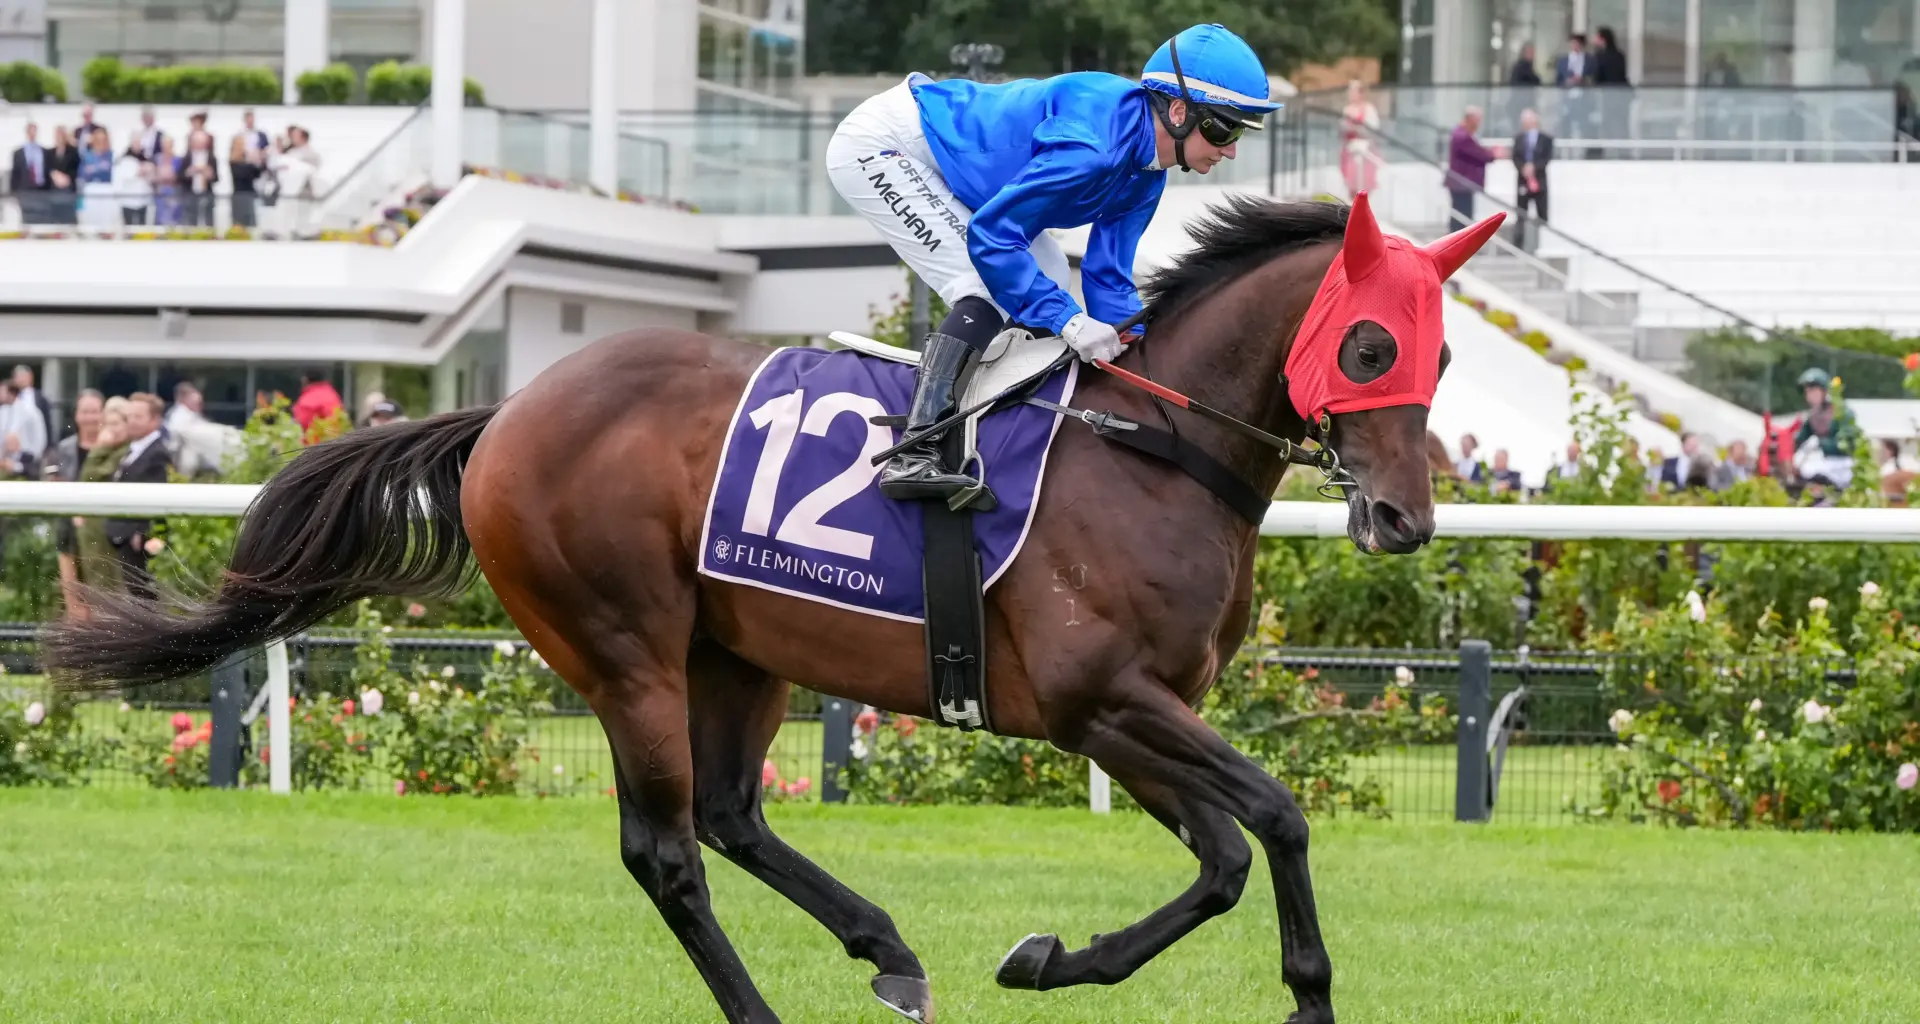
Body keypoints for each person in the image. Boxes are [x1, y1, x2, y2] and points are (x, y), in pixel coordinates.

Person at [824, 23, 1281, 500]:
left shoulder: (1147, 175)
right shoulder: (1093, 151)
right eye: (1223, 128)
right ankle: (916, 450)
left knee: (1050, 276)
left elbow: (1108, 278)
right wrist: (1068, 320)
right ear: (1180, 110)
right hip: (885, 144)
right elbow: (993, 235)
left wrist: (1151, 365)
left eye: (1238, 134)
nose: (1229, 149)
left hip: (954, 166)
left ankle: (1003, 428)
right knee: (986, 283)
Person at [106, 392, 173, 598]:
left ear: (154, 420)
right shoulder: (133, 450)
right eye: (129, 416)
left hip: (139, 540)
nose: (131, 422)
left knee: (144, 596)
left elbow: (156, 493)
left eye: (138, 417)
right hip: (124, 535)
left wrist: (141, 531)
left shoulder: (157, 452)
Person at [47, 389, 104, 617]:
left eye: (95, 411)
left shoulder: (114, 448)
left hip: (101, 532)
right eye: (85, 411)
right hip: (69, 531)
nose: (90, 417)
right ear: (76, 415)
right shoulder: (63, 448)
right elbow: (51, 480)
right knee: (72, 597)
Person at [76, 398, 132, 596]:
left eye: (116, 424)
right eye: (107, 424)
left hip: (111, 532)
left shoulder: (125, 452)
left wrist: (100, 447)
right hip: (94, 531)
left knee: (112, 590)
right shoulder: (111, 450)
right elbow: (86, 478)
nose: (111, 430)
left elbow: (93, 475)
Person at [1791, 367, 1860, 487]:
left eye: (1813, 390)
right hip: (1825, 462)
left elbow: (1849, 444)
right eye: (1807, 392)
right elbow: (1798, 440)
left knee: (1812, 471)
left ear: (1824, 390)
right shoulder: (1813, 415)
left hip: (1844, 464)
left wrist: (1821, 443)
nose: (1809, 395)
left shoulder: (1842, 412)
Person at [1447, 107, 1506, 231]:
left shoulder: (1463, 134)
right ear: (1470, 119)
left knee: (1464, 217)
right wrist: (1494, 154)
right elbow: (1478, 153)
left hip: (1463, 184)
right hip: (1461, 183)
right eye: (1477, 120)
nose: (1478, 124)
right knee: (1461, 218)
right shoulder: (1462, 136)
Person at [1511, 109, 1553, 247]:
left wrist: (1534, 167)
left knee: (1542, 213)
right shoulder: (1519, 138)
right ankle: (1518, 245)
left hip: (1539, 181)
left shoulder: (1546, 139)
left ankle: (1543, 244)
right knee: (1521, 213)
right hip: (1523, 181)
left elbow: (1546, 158)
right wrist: (1523, 168)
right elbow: (1515, 157)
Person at [1339, 80, 1381, 198]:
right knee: (1351, 182)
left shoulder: (1368, 108)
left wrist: (1358, 128)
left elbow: (1373, 127)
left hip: (1365, 148)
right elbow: (1342, 128)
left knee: (1364, 182)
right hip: (1350, 148)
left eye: (1353, 91)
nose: (1351, 94)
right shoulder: (1347, 109)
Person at [76, 127, 116, 229]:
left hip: (106, 190)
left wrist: (94, 169)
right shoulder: (87, 156)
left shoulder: (110, 155)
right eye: (98, 140)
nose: (100, 143)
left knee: (106, 223)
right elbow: (82, 174)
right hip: (91, 190)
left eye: (103, 140)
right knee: (90, 222)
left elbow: (111, 171)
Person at [11, 123, 50, 224]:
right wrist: (14, 192)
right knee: (27, 217)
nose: (32, 134)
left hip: (40, 189)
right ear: (27, 133)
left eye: (34, 131)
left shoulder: (43, 151)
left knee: (40, 216)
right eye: (30, 131)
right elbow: (15, 174)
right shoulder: (18, 153)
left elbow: (47, 171)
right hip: (25, 190)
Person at [291, 367, 345, 435]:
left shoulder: (308, 399)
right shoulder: (332, 394)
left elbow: (300, 425)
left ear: (305, 380)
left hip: (317, 441)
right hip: (335, 437)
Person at [46, 126, 80, 225]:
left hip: (68, 190)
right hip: (54, 191)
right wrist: (53, 174)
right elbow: (47, 168)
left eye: (61, 135)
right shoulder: (50, 152)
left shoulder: (73, 152)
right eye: (57, 135)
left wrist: (67, 178)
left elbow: (76, 168)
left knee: (68, 218)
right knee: (55, 218)